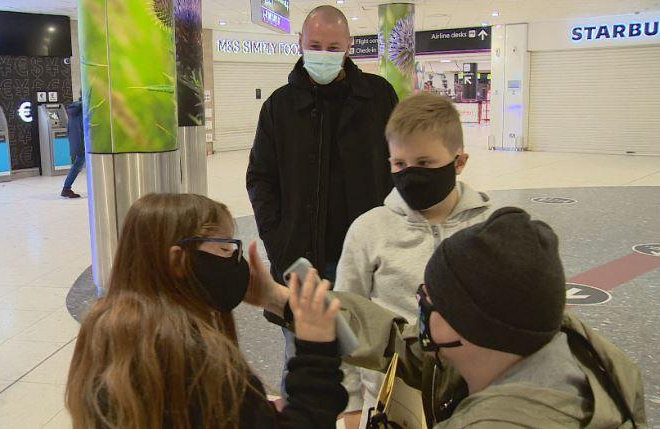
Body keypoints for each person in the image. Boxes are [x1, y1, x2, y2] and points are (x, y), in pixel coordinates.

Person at [262, 207, 647, 428]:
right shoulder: (543, 346)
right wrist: (279, 298)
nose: (420, 305)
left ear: (471, 323)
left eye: (430, 298)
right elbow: (399, 343)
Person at [65, 193, 348, 429]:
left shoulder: (104, 329)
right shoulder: (199, 362)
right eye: (225, 249)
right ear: (178, 260)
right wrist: (315, 354)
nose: (237, 262)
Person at [246, 4, 398, 398]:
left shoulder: (379, 97)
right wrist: (278, 244)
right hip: (302, 259)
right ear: (300, 43)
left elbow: (399, 165)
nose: (324, 53)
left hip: (367, 257)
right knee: (302, 362)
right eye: (315, 44)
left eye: (334, 46)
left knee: (370, 362)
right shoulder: (279, 107)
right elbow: (261, 179)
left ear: (349, 45)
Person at [334, 92, 491, 427]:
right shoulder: (368, 230)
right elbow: (345, 319)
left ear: (459, 162)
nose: (410, 173)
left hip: (477, 400)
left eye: (425, 163)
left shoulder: (491, 228)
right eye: (399, 164)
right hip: (392, 401)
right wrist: (350, 402)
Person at [61, 96, 85, 198]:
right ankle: (66, 188)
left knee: (77, 165)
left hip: (76, 141)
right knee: (78, 165)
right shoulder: (83, 108)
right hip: (83, 142)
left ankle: (66, 188)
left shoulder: (75, 108)